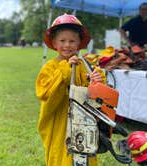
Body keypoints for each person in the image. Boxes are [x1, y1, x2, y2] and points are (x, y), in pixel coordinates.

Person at [36, 14, 106, 166]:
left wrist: (96, 80)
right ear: (54, 43)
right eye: (62, 40)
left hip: (83, 123)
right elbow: (45, 93)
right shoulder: (50, 67)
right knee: (62, 155)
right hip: (60, 121)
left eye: (72, 41)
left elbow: (95, 95)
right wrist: (65, 70)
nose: (67, 45)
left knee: (84, 152)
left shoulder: (84, 66)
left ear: (79, 43)